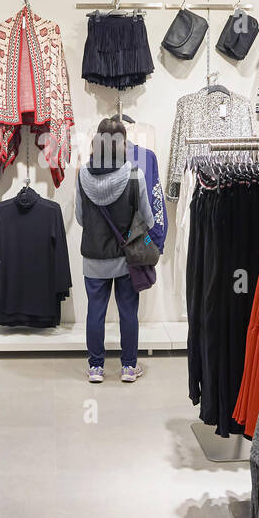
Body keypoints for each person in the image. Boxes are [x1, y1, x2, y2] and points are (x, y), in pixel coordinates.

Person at [74, 117, 154, 383]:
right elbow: (148, 219)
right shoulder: (135, 174)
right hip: (125, 259)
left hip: (93, 259)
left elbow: (80, 218)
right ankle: (128, 367)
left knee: (95, 313)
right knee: (127, 313)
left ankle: (96, 368)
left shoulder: (82, 174)